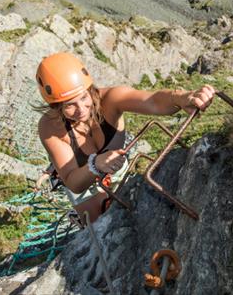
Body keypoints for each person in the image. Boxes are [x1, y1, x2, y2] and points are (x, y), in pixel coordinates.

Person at [37, 52, 215, 223]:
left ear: (90, 89)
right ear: (56, 106)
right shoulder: (50, 127)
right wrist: (95, 164)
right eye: (70, 105)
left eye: (84, 97)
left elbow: (152, 101)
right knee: (98, 224)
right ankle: (80, 218)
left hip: (115, 168)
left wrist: (181, 97)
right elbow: (73, 182)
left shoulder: (110, 100)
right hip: (82, 178)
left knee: (126, 210)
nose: (81, 109)